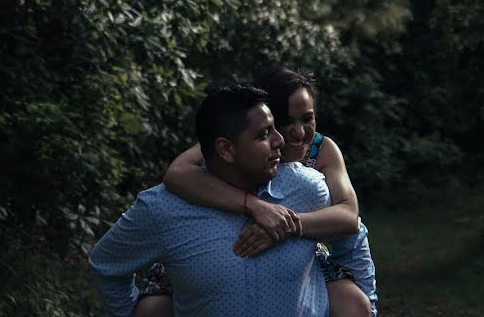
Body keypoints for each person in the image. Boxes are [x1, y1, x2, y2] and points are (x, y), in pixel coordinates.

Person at [135, 68, 377, 317]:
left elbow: (348, 215)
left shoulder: (322, 150)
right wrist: (253, 205)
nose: (298, 132)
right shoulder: (237, 139)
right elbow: (177, 173)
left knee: (354, 305)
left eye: (307, 119)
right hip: (213, 245)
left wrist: (283, 226)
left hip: (301, 250)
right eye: (285, 121)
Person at [88, 85, 334, 317]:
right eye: (264, 134)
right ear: (226, 150)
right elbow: (106, 266)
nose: (279, 140)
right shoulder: (163, 209)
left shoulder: (307, 190)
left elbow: (351, 241)